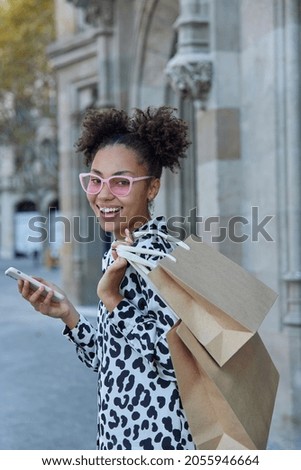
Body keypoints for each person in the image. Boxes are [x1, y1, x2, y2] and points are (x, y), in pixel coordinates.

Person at [18, 106, 195, 450]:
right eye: (95, 179)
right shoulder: (122, 252)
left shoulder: (157, 257)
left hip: (157, 444)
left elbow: (181, 363)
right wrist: (68, 314)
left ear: (153, 188)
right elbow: (112, 363)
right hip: (120, 440)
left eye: (121, 182)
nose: (102, 194)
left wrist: (114, 299)